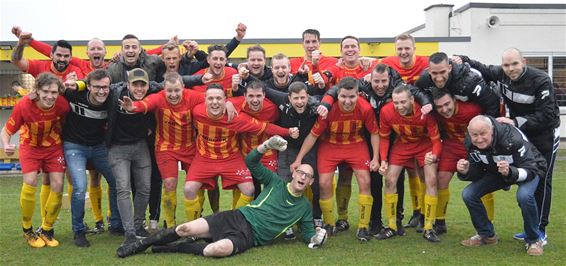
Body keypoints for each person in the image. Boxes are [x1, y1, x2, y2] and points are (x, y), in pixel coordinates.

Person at [115, 135, 327, 258]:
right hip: (237, 217)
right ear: (294, 173)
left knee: (214, 250)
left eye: (308, 176)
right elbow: (252, 162)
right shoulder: (275, 182)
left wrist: (316, 237)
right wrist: (266, 146)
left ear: (310, 182)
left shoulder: (305, 207)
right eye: (301, 172)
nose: (303, 177)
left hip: (249, 238)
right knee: (184, 229)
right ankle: (138, 246)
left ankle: (175, 247)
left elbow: (308, 232)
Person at [456, 48, 560, 243]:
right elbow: (483, 69)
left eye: (515, 64)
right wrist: (463, 59)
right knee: (496, 181)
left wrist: (517, 122)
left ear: (524, 62)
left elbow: (547, 115)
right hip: (516, 133)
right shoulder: (501, 74)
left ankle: (539, 230)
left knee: (541, 179)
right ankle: (491, 233)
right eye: (506, 65)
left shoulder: (541, 80)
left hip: (544, 134)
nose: (510, 69)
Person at [321, 64, 431, 236]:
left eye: (384, 81)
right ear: (369, 79)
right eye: (376, 81)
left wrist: (425, 102)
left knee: (396, 178)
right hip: (368, 136)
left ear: (390, 79)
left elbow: (415, 93)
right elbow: (336, 89)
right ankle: (374, 221)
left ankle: (397, 221)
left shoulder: (397, 87)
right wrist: (327, 104)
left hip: (392, 136)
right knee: (373, 179)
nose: (380, 85)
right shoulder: (362, 86)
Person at [182, 84, 298, 222]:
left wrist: (288, 131)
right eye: (211, 99)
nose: (214, 102)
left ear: (225, 100)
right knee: (189, 189)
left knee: (249, 190)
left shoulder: (237, 117)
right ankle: (192, 228)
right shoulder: (197, 111)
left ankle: (236, 222)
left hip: (231, 158)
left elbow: (265, 127)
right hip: (204, 158)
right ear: (205, 100)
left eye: (218, 98)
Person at [291, 77, 380, 241]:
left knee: (365, 181)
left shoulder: (365, 108)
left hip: (356, 144)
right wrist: (299, 159)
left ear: (358, 94)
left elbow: (374, 132)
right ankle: (329, 224)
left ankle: (363, 226)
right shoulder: (328, 110)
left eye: (352, 97)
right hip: (330, 145)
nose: (348, 101)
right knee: (324, 183)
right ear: (337, 95)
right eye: (344, 97)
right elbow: (313, 135)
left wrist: (375, 157)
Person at [119, 72, 208, 228]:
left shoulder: (193, 96)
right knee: (169, 183)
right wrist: (133, 107)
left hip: (190, 147)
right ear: (164, 90)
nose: (173, 95)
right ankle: (171, 224)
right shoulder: (158, 98)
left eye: (176, 90)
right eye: (169, 91)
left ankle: (195, 222)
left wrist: (227, 103)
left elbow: (213, 99)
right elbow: (145, 103)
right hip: (166, 147)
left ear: (183, 88)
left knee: (195, 185)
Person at [457, 115, 547, 256]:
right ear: (469, 133)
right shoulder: (470, 142)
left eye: (483, 134)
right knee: (469, 194)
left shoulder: (512, 138)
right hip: (498, 172)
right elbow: (478, 170)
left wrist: (510, 172)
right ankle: (487, 235)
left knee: (524, 196)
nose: (479, 139)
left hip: (530, 168)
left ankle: (534, 239)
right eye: (474, 135)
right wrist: (466, 170)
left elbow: (531, 168)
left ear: (492, 130)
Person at [1, 73, 70, 248]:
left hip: (54, 146)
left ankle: (46, 229)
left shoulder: (62, 105)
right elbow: (7, 130)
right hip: (30, 146)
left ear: (59, 92)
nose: (50, 96)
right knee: (30, 181)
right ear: (37, 90)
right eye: (45, 91)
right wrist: (6, 144)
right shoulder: (23, 105)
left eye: (54, 92)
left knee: (58, 184)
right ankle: (28, 230)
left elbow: (67, 125)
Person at [61, 69, 122, 247]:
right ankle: (78, 231)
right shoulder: (73, 93)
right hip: (74, 146)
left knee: (117, 182)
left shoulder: (112, 98)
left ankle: (116, 225)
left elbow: (126, 86)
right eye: (97, 87)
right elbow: (53, 87)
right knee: (79, 186)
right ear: (88, 87)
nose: (102, 91)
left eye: (105, 87)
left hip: (99, 147)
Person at [376, 85, 442, 242]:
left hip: (424, 145)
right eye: (396, 103)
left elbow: (436, 140)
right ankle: (392, 226)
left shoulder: (424, 111)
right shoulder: (386, 111)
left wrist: (434, 155)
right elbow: (384, 137)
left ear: (412, 99)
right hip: (402, 144)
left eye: (403, 102)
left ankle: (428, 227)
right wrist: (383, 159)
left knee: (431, 179)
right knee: (390, 179)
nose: (399, 106)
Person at [380, 33, 429, 230]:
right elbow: (378, 70)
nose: (403, 52)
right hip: (400, 126)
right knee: (409, 172)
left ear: (414, 48)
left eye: (407, 48)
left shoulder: (426, 63)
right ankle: (413, 213)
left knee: (423, 173)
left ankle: (424, 214)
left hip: (424, 123)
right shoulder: (389, 62)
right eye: (399, 49)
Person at [430, 88, 494, 234]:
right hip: (451, 146)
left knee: (484, 183)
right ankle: (440, 222)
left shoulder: (472, 110)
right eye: (439, 106)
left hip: (473, 147)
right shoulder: (436, 114)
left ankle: (489, 222)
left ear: (454, 100)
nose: (444, 109)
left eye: (447, 104)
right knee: (441, 180)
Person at [105, 68, 156, 247]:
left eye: (143, 84)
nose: (139, 88)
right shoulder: (115, 94)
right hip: (118, 148)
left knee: (145, 187)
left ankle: (138, 225)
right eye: (136, 84)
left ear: (148, 85)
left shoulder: (152, 96)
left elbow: (177, 83)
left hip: (140, 145)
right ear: (129, 84)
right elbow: (95, 87)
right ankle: (130, 232)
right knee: (123, 188)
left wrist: (150, 128)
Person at [416, 52, 500, 117]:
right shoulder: (425, 77)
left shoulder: (469, 82)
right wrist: (426, 102)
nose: (439, 78)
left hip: (475, 115)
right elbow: (414, 89)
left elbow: (492, 103)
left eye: (442, 72)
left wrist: (484, 125)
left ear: (449, 68)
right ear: (429, 70)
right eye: (434, 73)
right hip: (451, 118)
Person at [11, 31, 84, 80]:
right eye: (59, 55)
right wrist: (20, 44)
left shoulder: (75, 71)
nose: (62, 59)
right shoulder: (39, 66)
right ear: (51, 55)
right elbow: (16, 61)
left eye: (66, 56)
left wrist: (76, 84)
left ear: (71, 58)